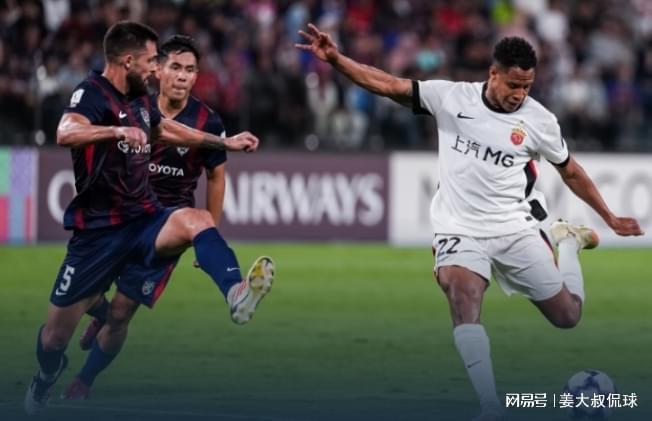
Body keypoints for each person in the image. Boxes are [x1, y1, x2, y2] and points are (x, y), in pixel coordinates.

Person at [296, 24, 643, 421]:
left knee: (568, 316)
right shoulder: (451, 98)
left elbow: (571, 171)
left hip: (514, 228)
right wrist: (337, 59)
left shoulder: (540, 121)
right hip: (459, 228)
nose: (520, 94)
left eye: (527, 87)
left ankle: (567, 241)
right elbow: (387, 84)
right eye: (513, 84)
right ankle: (490, 406)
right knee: (462, 294)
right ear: (493, 73)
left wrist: (609, 217)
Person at [24, 22, 275, 415]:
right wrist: (115, 131)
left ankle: (235, 292)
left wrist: (223, 142)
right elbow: (65, 131)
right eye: (152, 61)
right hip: (97, 234)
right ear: (129, 61)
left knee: (198, 221)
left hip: (145, 218)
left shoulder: (141, 100)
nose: (156, 69)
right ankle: (46, 376)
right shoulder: (92, 92)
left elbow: (164, 130)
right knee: (53, 340)